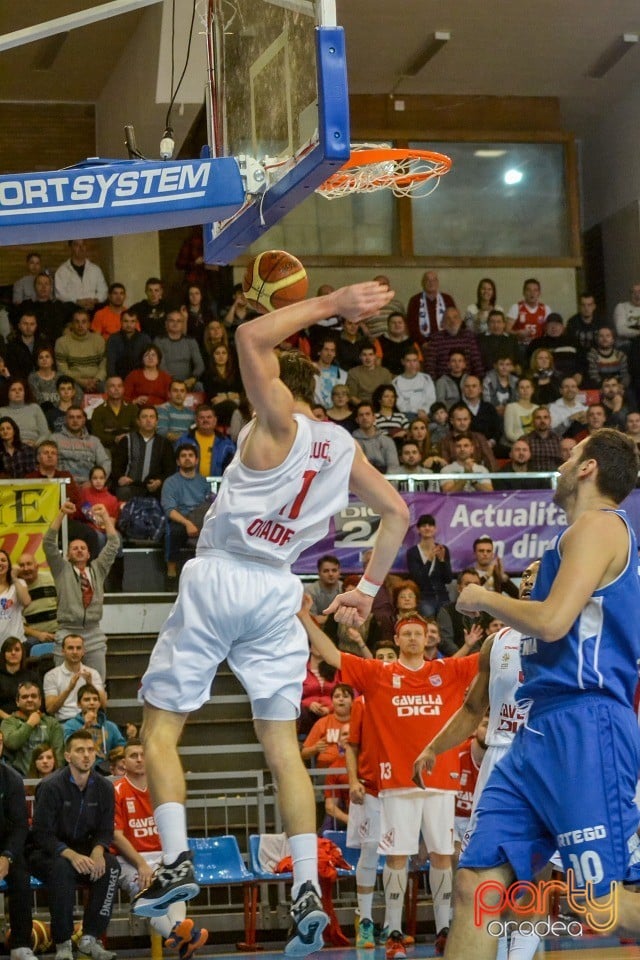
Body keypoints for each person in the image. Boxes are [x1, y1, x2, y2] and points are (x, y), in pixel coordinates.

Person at [133, 281, 409, 960]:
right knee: (281, 748)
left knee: (160, 732)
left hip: (222, 574)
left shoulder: (277, 419)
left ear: (278, 386)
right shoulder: (344, 449)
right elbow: (398, 514)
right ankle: (309, 889)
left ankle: (173, 863)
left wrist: (330, 305)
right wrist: (367, 590)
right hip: (278, 592)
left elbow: (251, 339)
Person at [439, 429, 640, 956]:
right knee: (475, 884)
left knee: (598, 905)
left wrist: (483, 596)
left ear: (589, 468)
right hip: (536, 728)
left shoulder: (599, 526)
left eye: (571, 455)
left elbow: (550, 622)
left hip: (585, 723)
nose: (562, 463)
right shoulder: (580, 536)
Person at [299, 608, 479, 959]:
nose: (413, 638)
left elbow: (488, 655)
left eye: (419, 633)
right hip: (397, 781)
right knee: (397, 857)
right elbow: (335, 656)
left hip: (441, 781)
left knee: (443, 856)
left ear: (428, 638)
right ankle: (393, 931)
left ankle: (444, 929)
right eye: (406, 633)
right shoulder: (379, 674)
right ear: (396, 639)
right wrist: (305, 618)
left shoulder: (447, 671)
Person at [29, 728, 120, 960]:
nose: (86, 755)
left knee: (111, 867)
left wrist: (99, 851)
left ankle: (90, 938)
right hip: (47, 852)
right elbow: (41, 834)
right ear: (68, 756)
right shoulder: (50, 786)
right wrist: (70, 855)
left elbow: (106, 830)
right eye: (80, 750)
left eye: (90, 750)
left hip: (85, 849)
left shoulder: (105, 787)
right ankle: (63, 943)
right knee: (62, 868)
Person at [113, 740, 208, 959]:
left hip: (162, 856)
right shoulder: (116, 790)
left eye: (143, 754)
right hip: (131, 860)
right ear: (124, 762)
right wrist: (142, 865)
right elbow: (115, 836)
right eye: (133, 755)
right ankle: (184, 940)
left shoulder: (161, 788)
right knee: (148, 894)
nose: (139, 759)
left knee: (176, 887)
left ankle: (180, 934)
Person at [43, 503, 119, 681]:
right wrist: (61, 513)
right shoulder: (61, 569)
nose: (79, 550)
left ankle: (98, 710)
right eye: (74, 548)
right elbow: (48, 543)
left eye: (82, 548)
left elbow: (114, 543)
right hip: (67, 631)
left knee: (96, 683)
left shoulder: (98, 569)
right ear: (67, 555)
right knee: (64, 684)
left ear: (88, 554)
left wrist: (106, 517)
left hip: (93, 633)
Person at [0, 727, 37, 960]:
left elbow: (20, 825)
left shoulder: (11, 778)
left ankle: (20, 945)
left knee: (20, 875)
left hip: (6, 846)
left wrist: (7, 856)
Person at [161, 444, 211, 582]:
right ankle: (171, 574)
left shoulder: (203, 482)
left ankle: (207, 576)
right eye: (183, 456)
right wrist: (187, 523)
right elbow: (169, 509)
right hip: (180, 520)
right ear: (178, 461)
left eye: (190, 455)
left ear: (196, 460)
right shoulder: (170, 482)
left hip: (201, 519)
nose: (187, 458)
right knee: (172, 532)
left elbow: (210, 504)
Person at [112, 405, 175, 501]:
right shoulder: (127, 440)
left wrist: (159, 481)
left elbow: (170, 469)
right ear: (138, 421)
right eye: (144, 417)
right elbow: (116, 465)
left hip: (155, 488)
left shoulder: (164, 443)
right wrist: (120, 478)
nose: (148, 420)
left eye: (152, 417)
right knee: (122, 492)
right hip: (130, 486)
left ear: (157, 421)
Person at [1, 681, 65, 776]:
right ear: (17, 702)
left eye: (33, 696)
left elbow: (58, 755)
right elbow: (12, 743)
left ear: (40, 701)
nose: (29, 699)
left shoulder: (52, 723)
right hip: (18, 778)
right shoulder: (9, 722)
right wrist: (30, 724)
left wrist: (53, 778)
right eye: (25, 697)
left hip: (48, 778)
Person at [43, 634, 107, 721]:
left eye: (78, 648)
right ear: (63, 651)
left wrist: (90, 684)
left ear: (83, 651)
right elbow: (50, 709)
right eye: (70, 648)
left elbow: (103, 705)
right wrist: (69, 688)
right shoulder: (51, 676)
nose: (75, 652)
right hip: (65, 721)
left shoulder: (93, 673)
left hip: (90, 718)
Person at [63, 684, 125, 770]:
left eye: (95, 699)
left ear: (99, 703)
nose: (92, 703)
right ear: (78, 704)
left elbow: (122, 748)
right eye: (87, 700)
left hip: (106, 770)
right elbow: (69, 746)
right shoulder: (70, 725)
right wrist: (85, 726)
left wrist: (112, 754)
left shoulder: (110, 726)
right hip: (80, 770)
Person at [52, 406, 111, 486]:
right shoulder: (55, 439)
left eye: (79, 417)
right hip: (63, 484)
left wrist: (94, 482)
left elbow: (105, 462)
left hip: (89, 485)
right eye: (71, 417)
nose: (75, 420)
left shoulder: (94, 441)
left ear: (84, 420)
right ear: (66, 420)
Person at [300, 684, 353, 769]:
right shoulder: (322, 723)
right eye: (337, 696)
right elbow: (303, 754)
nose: (341, 699)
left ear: (352, 702)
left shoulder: (360, 722)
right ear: (332, 702)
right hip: (326, 770)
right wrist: (315, 748)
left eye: (345, 696)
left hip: (353, 769)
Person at [54, 309, 107, 393]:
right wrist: (80, 381)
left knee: (109, 390)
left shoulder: (99, 340)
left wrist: (96, 379)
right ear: (72, 324)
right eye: (77, 322)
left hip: (96, 380)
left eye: (84, 322)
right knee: (75, 393)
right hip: (73, 380)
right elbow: (62, 369)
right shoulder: (61, 342)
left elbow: (103, 365)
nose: (80, 325)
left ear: (89, 324)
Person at [177, 404, 236, 478]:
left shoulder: (227, 444)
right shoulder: (183, 440)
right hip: (189, 485)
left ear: (215, 420)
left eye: (209, 417)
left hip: (216, 485)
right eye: (202, 417)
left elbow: (233, 470)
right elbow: (176, 466)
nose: (205, 420)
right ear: (196, 420)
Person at [425, 308, 485, 381]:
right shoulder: (436, 338)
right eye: (448, 318)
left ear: (460, 320)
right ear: (443, 323)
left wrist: (480, 381)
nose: (452, 321)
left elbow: (477, 362)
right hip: (444, 383)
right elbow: (430, 365)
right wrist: (433, 384)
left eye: (455, 317)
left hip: (467, 383)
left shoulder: (469, 336)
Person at [154, 311, 205, 392]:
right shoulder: (159, 340)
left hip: (187, 382)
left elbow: (200, 364)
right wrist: (173, 381)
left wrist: (193, 378)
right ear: (166, 323)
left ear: (183, 324)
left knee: (199, 386)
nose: (175, 323)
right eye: (172, 320)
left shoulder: (191, 341)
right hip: (167, 381)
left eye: (178, 321)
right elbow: (161, 365)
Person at [54, 240, 108, 312]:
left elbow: (103, 291)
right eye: (77, 245)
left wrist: (94, 300)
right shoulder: (61, 271)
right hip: (72, 310)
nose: (81, 248)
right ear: (70, 248)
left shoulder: (95, 270)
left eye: (83, 245)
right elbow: (60, 294)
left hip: (93, 308)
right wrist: (77, 301)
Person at [89, 376, 138, 453]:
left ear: (123, 389)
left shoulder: (133, 409)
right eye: (112, 386)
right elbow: (96, 434)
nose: (116, 389)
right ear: (106, 390)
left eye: (119, 386)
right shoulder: (98, 411)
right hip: (106, 448)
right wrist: (115, 439)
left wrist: (126, 437)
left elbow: (138, 429)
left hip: (129, 447)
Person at [406, 270, 456, 343]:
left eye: (433, 280)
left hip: (446, 342)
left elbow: (454, 321)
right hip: (423, 343)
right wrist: (423, 343)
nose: (431, 283)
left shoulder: (447, 299)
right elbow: (411, 326)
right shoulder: (415, 301)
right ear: (423, 283)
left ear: (437, 283)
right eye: (428, 280)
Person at [352, 401, 400, 474]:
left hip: (384, 480)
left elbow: (393, 467)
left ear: (374, 418)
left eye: (367, 414)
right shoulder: (352, 443)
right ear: (357, 420)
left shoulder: (388, 441)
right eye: (361, 415)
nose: (364, 417)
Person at [0, 379, 50, 447]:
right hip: (9, 449)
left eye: (20, 389)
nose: (17, 392)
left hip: (34, 447)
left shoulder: (34, 408)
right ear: (7, 393)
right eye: (13, 390)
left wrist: (36, 444)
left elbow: (45, 434)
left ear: (25, 392)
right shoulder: (1, 411)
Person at [105, 309, 152, 381]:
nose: (129, 325)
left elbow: (148, 362)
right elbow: (110, 363)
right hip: (118, 379)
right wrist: (114, 380)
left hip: (140, 378)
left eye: (132, 321)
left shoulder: (144, 339)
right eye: (126, 321)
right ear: (120, 321)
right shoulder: (113, 339)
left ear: (136, 323)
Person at [506, 278, 551, 349]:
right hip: (520, 345)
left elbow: (550, 330)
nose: (532, 293)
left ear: (539, 293)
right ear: (524, 292)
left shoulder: (545, 309)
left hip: (538, 346)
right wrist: (517, 333)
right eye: (528, 290)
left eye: (535, 290)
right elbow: (507, 330)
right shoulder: (516, 307)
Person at [392, 349, 436, 421]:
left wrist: (424, 410)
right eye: (408, 361)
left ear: (418, 361)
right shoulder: (396, 382)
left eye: (415, 360)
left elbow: (431, 399)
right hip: (407, 416)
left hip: (426, 414)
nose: (412, 364)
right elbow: (400, 405)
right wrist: (417, 412)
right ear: (403, 362)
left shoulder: (426, 378)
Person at [0, 638, 38, 720]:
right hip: (3, 720)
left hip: (29, 720)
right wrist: (9, 719)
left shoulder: (32, 676)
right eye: (9, 650)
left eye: (17, 650)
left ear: (22, 653)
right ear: (3, 654)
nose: (13, 653)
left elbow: (39, 702)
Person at [0, 551, 30, 646]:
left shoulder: (19, 583)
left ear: (9, 565)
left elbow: (26, 601)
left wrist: (14, 578)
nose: (0, 563)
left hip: (15, 642)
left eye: (3, 560)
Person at [303, 555, 342, 627]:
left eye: (334, 570)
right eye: (326, 571)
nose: (331, 574)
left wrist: (326, 619)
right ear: (319, 573)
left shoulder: (345, 588)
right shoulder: (310, 591)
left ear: (339, 572)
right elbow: (312, 620)